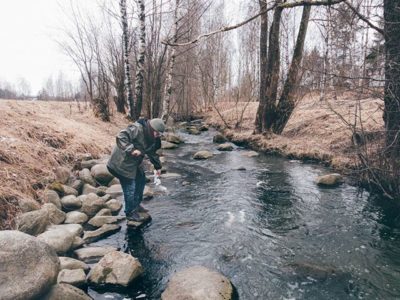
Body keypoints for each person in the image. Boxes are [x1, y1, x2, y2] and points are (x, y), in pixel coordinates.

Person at [107, 118, 165, 222]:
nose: (158, 136)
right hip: (120, 163)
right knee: (130, 187)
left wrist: (158, 167)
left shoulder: (152, 138)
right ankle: (129, 213)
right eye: (157, 133)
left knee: (141, 180)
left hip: (133, 164)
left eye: (160, 134)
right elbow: (121, 136)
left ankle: (136, 205)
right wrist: (131, 149)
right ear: (151, 129)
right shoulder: (137, 129)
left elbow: (152, 153)